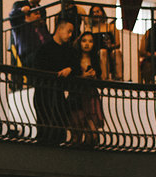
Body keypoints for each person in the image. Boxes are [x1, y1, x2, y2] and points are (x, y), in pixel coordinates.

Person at [32, 17, 80, 146]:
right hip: (44, 93)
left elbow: (77, 67)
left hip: (58, 94)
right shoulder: (44, 49)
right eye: (68, 31)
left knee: (59, 129)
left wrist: (70, 69)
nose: (70, 35)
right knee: (45, 127)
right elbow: (38, 69)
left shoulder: (69, 51)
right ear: (59, 29)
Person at [73, 31, 105, 147]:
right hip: (77, 94)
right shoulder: (74, 58)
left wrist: (95, 75)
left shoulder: (95, 59)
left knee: (93, 133)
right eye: (84, 41)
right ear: (80, 42)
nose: (87, 44)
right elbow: (72, 76)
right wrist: (82, 76)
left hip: (91, 94)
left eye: (90, 41)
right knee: (77, 131)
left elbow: (101, 78)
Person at [9, 0, 51, 67]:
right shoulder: (24, 27)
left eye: (39, 14)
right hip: (30, 54)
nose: (39, 16)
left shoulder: (42, 28)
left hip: (42, 53)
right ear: (28, 16)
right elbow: (12, 16)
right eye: (36, 14)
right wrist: (22, 10)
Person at [88, 5, 123, 80]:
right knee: (102, 52)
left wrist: (110, 46)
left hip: (110, 51)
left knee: (117, 52)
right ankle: (105, 79)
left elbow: (118, 43)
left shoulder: (111, 26)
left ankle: (119, 78)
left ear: (103, 13)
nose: (95, 14)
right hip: (96, 53)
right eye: (93, 12)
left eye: (97, 11)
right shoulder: (90, 29)